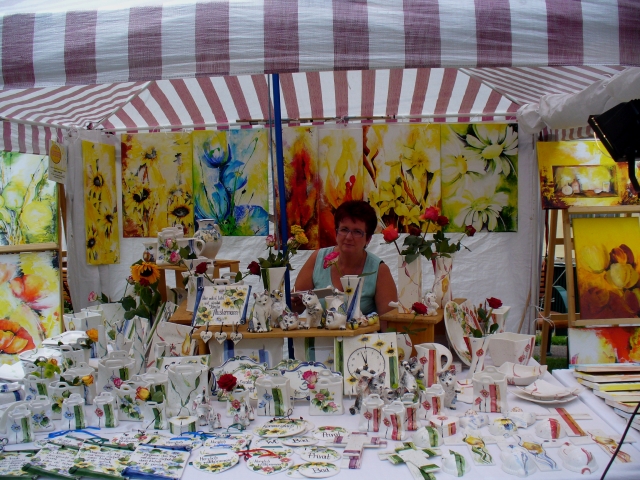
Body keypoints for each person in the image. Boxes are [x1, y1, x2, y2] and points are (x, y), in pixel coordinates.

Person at [294, 200, 397, 316]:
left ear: (368, 239)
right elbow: (295, 307)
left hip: (364, 328)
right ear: (336, 232)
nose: (348, 237)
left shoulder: (379, 270)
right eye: (344, 229)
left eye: (357, 232)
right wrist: (296, 303)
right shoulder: (317, 259)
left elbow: (389, 321)